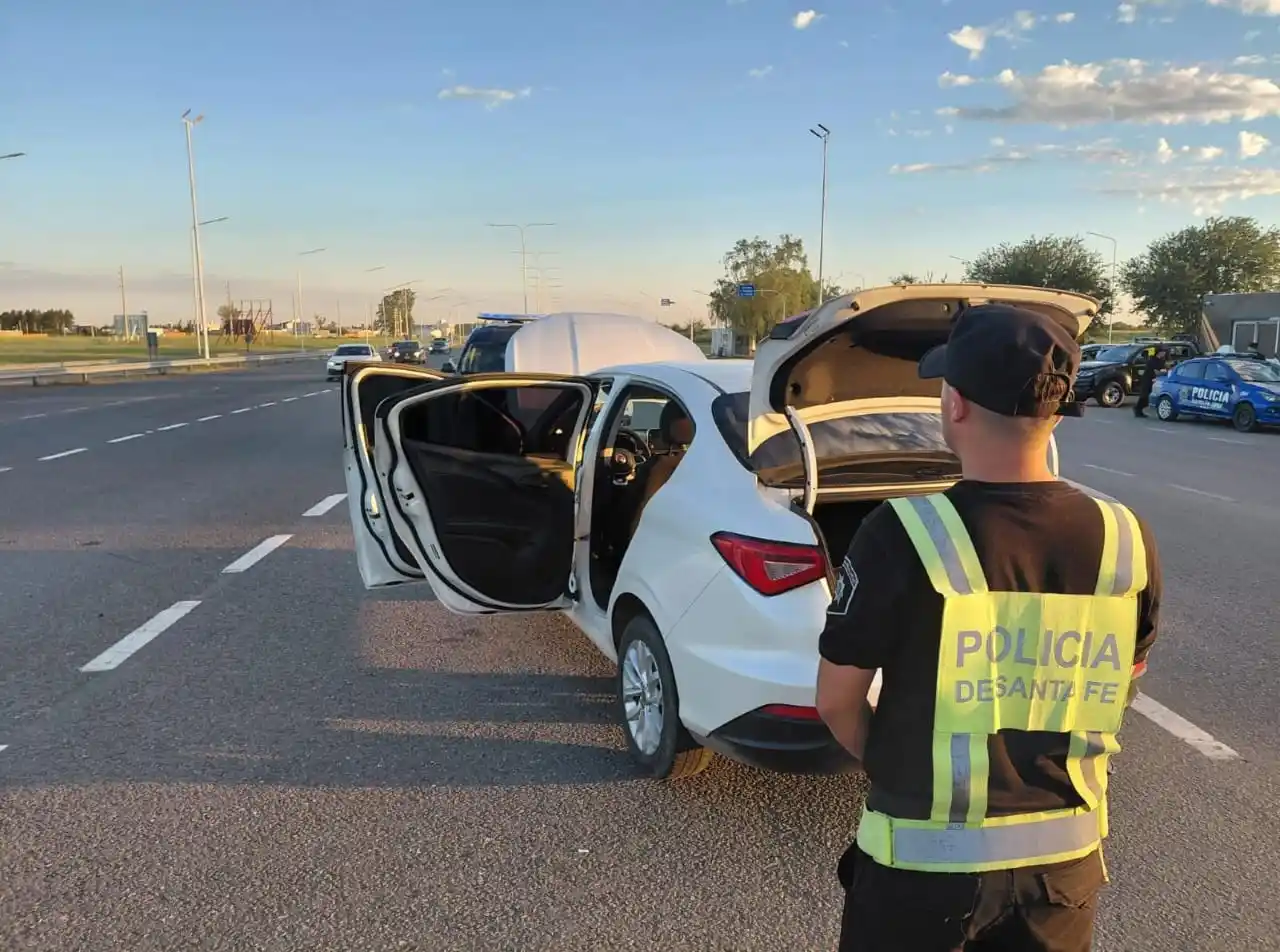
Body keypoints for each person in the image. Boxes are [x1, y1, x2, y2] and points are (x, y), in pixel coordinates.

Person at [815, 303, 1161, 952]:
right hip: (1061, 881)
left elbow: (836, 702)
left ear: (955, 405)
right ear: (1055, 410)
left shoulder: (903, 533)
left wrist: (892, 763)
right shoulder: (1124, 537)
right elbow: (1120, 687)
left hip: (920, 876)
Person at [1132, 347, 1167, 417]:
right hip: (1148, 380)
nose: (1164, 354)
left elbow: (1162, 368)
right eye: (1163, 352)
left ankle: (1138, 409)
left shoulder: (1161, 360)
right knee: (1144, 395)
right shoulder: (1152, 360)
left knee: (1149, 396)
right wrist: (1161, 371)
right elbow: (1154, 370)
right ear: (1159, 352)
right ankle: (1137, 409)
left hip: (1154, 380)